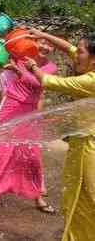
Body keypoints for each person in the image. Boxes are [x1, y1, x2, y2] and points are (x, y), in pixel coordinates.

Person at [24, 29, 95, 241]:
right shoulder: (90, 67)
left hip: (89, 148)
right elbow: (67, 47)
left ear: (93, 59)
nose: (76, 55)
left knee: (88, 196)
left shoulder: (91, 80)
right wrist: (40, 33)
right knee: (76, 193)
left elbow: (52, 82)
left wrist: (33, 66)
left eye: (81, 52)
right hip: (80, 143)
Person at [0, 38, 57, 214]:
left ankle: (37, 196)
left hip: (30, 112)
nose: (44, 47)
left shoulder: (51, 67)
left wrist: (19, 70)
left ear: (53, 49)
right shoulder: (22, 57)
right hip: (11, 107)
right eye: (41, 42)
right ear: (34, 44)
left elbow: (39, 83)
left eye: (49, 44)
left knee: (32, 155)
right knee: (2, 152)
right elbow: (4, 45)